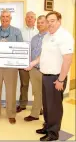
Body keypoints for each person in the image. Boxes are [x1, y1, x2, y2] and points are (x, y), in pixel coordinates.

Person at [25, 11, 74, 141]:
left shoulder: (64, 36)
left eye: (53, 20)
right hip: (45, 75)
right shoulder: (47, 36)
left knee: (55, 107)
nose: (50, 23)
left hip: (56, 78)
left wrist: (61, 80)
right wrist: (33, 63)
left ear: (59, 21)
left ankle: (53, 133)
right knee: (47, 105)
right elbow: (43, 55)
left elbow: (68, 59)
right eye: (48, 21)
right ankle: (47, 127)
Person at [0, 9, 23, 124]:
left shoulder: (17, 32)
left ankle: (11, 114)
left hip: (11, 67)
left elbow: (21, 49)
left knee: (11, 91)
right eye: (3, 16)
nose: (5, 18)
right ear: (0, 18)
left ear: (10, 18)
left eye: (7, 16)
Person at [24, 15, 48, 122]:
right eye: (38, 22)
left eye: (42, 22)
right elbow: (30, 53)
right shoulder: (34, 38)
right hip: (34, 70)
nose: (39, 24)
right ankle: (35, 114)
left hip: (46, 70)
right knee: (36, 92)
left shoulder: (50, 38)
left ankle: (48, 119)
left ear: (47, 24)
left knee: (47, 94)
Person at [17, 11, 39, 113]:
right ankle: (22, 104)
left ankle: (39, 107)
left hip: (37, 63)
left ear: (35, 20)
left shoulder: (39, 31)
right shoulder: (20, 31)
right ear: (25, 19)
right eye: (28, 17)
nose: (29, 19)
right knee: (24, 84)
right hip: (24, 63)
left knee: (37, 86)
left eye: (32, 17)